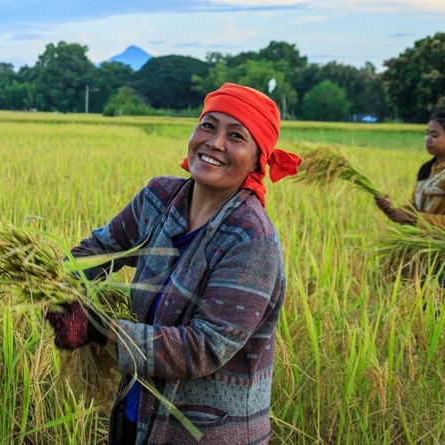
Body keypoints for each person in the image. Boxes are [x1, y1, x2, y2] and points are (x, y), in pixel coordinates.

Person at [46, 83, 302, 445]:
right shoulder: (160, 198)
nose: (214, 143)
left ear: (258, 159)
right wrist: (52, 280)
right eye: (208, 126)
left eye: (236, 136)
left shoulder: (250, 240)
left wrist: (99, 330)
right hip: (138, 415)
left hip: (207, 433)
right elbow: (103, 248)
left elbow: (205, 346)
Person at [374, 110, 445, 288]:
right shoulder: (429, 169)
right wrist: (391, 209)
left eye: (435, 135)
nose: (428, 139)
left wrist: (412, 218)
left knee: (442, 312)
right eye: (426, 134)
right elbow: (415, 207)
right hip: (424, 254)